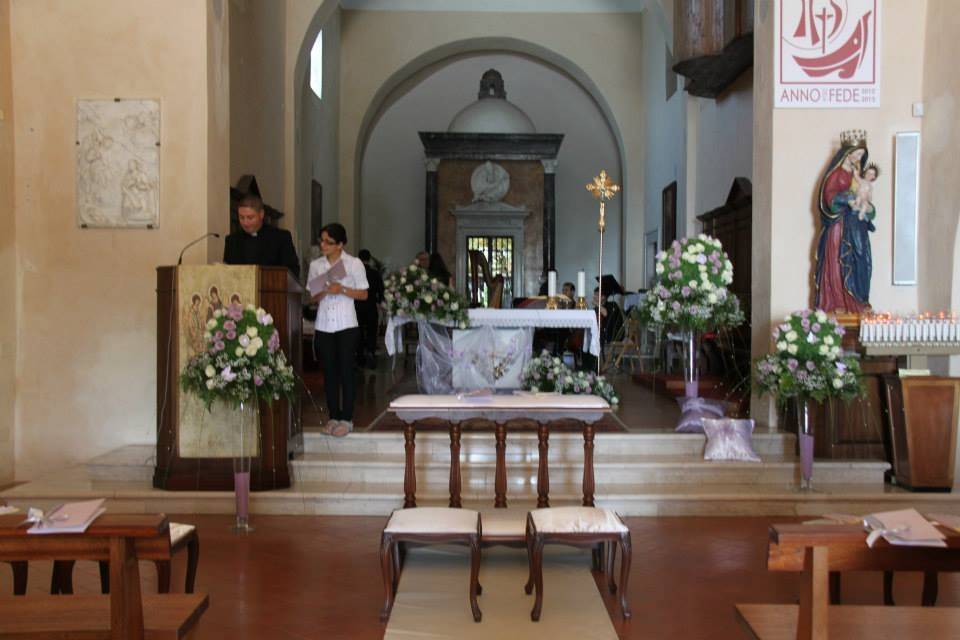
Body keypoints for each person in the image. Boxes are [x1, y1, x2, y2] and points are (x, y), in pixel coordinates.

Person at [308, 223, 369, 437]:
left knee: (346, 372)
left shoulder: (353, 264)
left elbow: (363, 294)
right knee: (329, 373)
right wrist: (322, 290)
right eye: (321, 240)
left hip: (346, 324)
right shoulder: (316, 265)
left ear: (340, 244)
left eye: (328, 242)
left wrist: (341, 288)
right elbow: (312, 296)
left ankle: (347, 418)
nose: (323, 245)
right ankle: (333, 416)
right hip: (324, 324)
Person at [814, 138, 875, 313]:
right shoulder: (836, 174)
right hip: (839, 226)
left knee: (860, 260)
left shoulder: (861, 177)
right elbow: (829, 198)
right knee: (838, 261)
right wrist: (847, 197)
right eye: (856, 154)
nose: (858, 158)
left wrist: (869, 208)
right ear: (847, 154)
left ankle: (858, 302)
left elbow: (868, 201)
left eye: (861, 155)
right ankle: (838, 302)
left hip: (857, 226)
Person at [223, 193, 301, 278]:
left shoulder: (280, 238)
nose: (245, 222)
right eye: (241, 217)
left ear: (261, 214)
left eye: (250, 217)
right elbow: (227, 272)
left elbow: (292, 272)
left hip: (271, 290)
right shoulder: (232, 241)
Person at [355, 249, 384, 369]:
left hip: (357, 306)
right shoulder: (375, 273)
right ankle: (371, 352)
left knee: (359, 331)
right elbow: (381, 290)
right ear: (369, 259)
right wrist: (379, 301)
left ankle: (360, 355)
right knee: (372, 330)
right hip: (371, 306)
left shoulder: (355, 273)